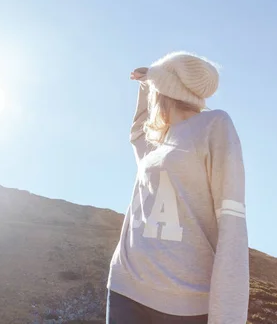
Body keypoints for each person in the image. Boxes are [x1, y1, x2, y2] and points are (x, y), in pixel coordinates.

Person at [106, 51, 249, 324]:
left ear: (165, 91)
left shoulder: (215, 125)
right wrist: (147, 84)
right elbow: (137, 132)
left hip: (185, 303)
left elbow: (232, 224)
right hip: (126, 285)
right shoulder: (158, 142)